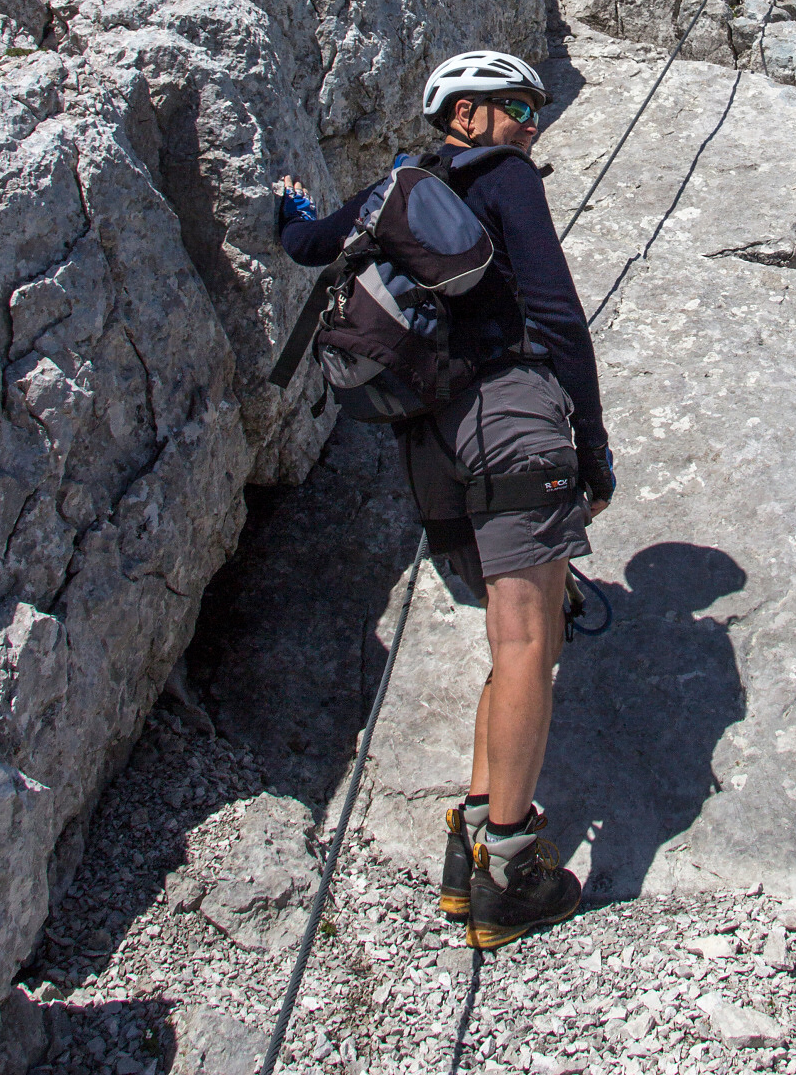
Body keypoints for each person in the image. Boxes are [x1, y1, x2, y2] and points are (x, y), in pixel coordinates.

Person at [274, 49, 614, 950]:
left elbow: (308, 248)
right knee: (527, 642)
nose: (530, 124)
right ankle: (510, 868)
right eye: (516, 107)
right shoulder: (503, 177)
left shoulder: (401, 188)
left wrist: (291, 205)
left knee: (508, 644)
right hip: (513, 414)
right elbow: (556, 313)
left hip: (431, 444)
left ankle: (472, 835)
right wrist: (592, 445)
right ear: (466, 114)